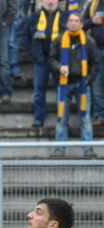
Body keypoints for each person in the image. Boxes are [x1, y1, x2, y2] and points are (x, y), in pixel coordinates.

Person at [49, 12, 99, 157]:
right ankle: (60, 148)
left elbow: (95, 64)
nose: (73, 23)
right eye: (71, 20)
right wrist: (59, 67)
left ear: (82, 24)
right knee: (61, 118)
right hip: (64, 84)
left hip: (82, 84)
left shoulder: (89, 41)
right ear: (66, 23)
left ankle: (88, 149)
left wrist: (89, 79)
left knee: (85, 118)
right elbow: (51, 59)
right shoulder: (58, 40)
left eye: (77, 21)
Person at [22, 0, 67, 127]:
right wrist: (33, 54)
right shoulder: (33, 17)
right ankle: (39, 118)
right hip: (41, 60)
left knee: (61, 90)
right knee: (39, 91)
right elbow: (24, 37)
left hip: (59, 60)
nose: (50, 2)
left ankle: (62, 119)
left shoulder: (66, 16)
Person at [84, 0, 104, 126]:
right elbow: (82, 24)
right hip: (96, 50)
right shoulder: (92, 4)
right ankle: (100, 115)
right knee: (96, 85)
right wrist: (92, 21)